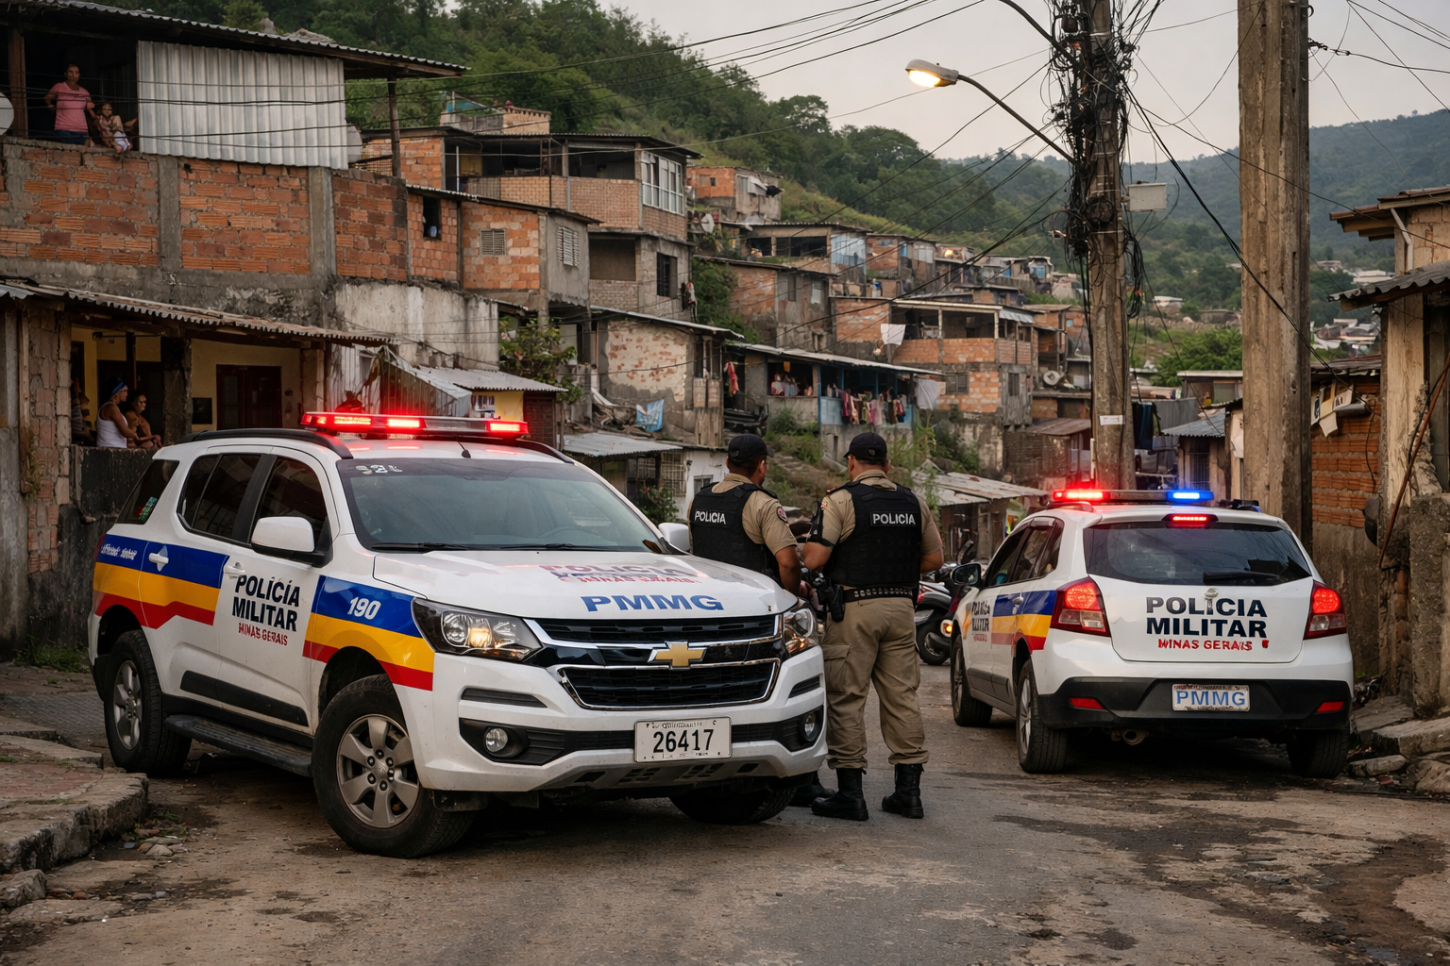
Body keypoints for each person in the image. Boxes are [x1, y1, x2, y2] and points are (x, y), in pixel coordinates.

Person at [802, 432, 944, 821]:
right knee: (902, 697)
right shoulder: (914, 502)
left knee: (847, 697)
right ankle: (908, 794)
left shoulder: (841, 500)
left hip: (854, 610)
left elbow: (814, 558)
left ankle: (851, 795)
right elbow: (934, 559)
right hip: (901, 609)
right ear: (887, 465)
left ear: (851, 463)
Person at [687, 436, 826, 807]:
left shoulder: (700, 500)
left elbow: (694, 552)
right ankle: (800, 777)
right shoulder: (762, 504)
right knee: (776, 689)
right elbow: (787, 561)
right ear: (761, 465)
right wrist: (793, 598)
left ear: (729, 462)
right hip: (754, 619)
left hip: (705, 613)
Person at [45, 64, 95, 146]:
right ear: (65, 74)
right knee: (69, 151)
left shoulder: (84, 92)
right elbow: (47, 98)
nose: (73, 75)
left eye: (76, 72)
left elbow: (89, 108)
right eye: (71, 72)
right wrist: (50, 106)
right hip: (63, 129)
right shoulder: (59, 87)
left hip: (82, 130)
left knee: (82, 153)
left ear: (79, 75)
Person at [97, 380, 142, 449]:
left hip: (111, 447)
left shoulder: (111, 406)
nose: (127, 394)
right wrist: (134, 433)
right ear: (118, 391)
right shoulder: (111, 407)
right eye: (125, 391)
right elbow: (125, 431)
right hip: (111, 447)